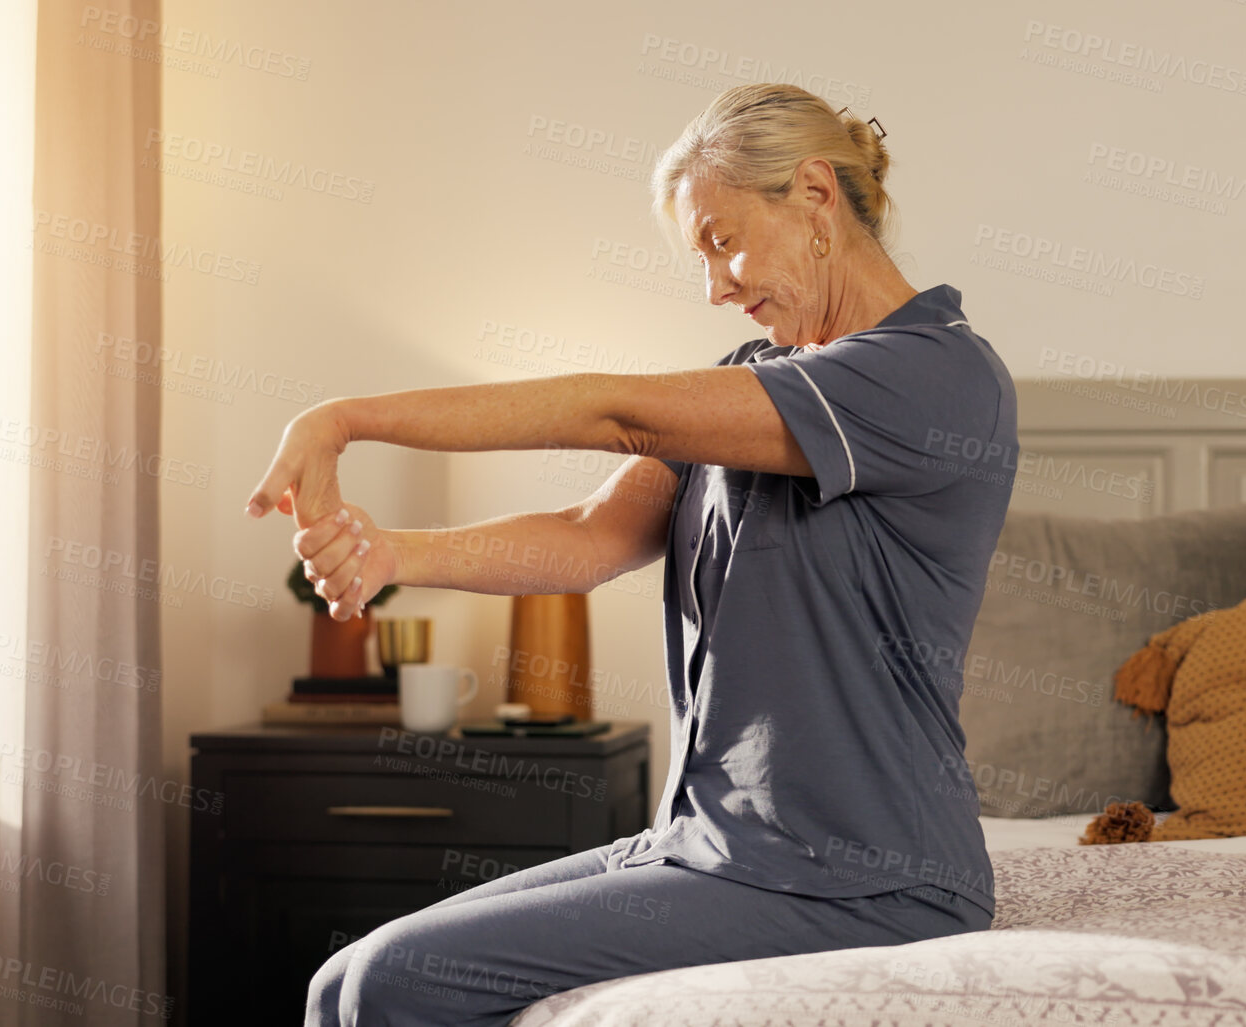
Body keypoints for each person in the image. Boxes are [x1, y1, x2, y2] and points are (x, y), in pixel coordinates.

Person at [245, 82, 1019, 1027]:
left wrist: (346, 418)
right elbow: (587, 539)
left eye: (722, 240)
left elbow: (617, 413)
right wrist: (387, 553)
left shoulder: (933, 375)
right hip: (711, 843)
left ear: (815, 195)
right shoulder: (753, 380)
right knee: (342, 979)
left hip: (862, 872)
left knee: (393, 982)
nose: (715, 286)